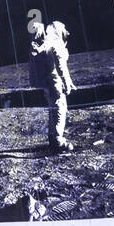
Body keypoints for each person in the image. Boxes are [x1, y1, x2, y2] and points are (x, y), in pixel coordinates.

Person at [29, 19, 76, 153]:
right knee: (59, 109)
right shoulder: (56, 44)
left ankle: (53, 138)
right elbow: (61, 67)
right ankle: (58, 141)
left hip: (48, 81)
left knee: (53, 109)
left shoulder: (47, 43)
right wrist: (67, 83)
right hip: (55, 81)